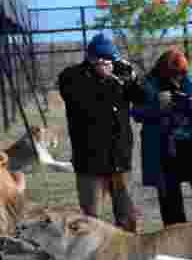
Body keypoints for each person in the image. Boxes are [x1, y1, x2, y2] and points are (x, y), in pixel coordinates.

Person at [57, 32, 142, 231]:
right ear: (92, 58)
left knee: (127, 215)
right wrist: (108, 80)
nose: (107, 64)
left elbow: (143, 97)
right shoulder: (71, 77)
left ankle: (128, 255)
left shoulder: (120, 75)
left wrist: (132, 77)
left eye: (111, 59)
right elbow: (84, 104)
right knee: (91, 218)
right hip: (90, 161)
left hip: (119, 158)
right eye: (103, 59)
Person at [132, 48, 192, 226]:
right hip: (163, 149)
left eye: (180, 74)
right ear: (163, 71)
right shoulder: (148, 84)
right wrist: (158, 107)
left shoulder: (188, 80)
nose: (177, 78)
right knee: (170, 201)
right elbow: (136, 112)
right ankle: (176, 239)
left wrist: (187, 101)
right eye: (173, 74)